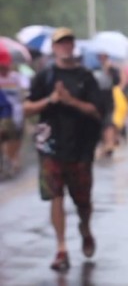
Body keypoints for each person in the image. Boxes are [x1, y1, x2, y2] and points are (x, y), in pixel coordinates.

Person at [24, 27, 103, 271]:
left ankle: (85, 228)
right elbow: (26, 108)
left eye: (69, 42)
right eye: (60, 43)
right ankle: (61, 249)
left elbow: (97, 111)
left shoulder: (86, 77)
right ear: (54, 48)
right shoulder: (44, 77)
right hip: (51, 146)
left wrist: (71, 102)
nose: (65, 47)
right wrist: (51, 100)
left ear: (73, 46)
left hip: (80, 147)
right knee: (55, 196)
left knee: (82, 201)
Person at [0, 49, 26, 176]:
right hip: (4, 115)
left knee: (15, 139)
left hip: (17, 113)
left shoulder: (16, 77)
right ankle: (7, 162)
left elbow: (23, 93)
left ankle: (12, 160)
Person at [92, 52, 122, 158]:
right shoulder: (94, 68)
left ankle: (109, 145)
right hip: (96, 99)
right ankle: (103, 144)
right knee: (99, 124)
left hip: (108, 99)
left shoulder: (112, 69)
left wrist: (110, 71)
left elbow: (117, 82)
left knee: (108, 122)